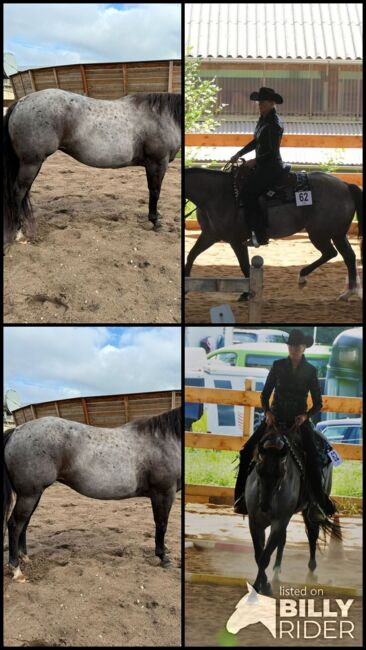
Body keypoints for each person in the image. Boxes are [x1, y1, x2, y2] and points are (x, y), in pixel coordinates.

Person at [233, 329, 336, 522]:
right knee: (246, 450)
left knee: (313, 457)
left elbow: (318, 403)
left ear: (304, 348)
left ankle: (317, 502)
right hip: (275, 419)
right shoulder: (278, 366)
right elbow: (264, 395)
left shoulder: (310, 371)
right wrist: (268, 412)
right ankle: (240, 499)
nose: (293, 349)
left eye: (297, 346)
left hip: (299, 422)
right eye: (291, 345)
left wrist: (306, 416)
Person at [230, 87, 285, 246]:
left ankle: (260, 236)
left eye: (262, 102)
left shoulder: (274, 123)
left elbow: (272, 150)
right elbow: (256, 142)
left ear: (271, 103)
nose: (259, 105)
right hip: (264, 165)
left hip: (271, 167)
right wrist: (239, 154)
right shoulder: (263, 119)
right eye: (259, 102)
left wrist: (255, 161)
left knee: (249, 193)